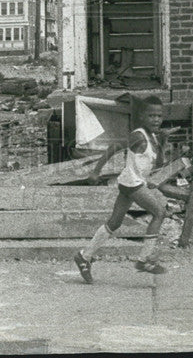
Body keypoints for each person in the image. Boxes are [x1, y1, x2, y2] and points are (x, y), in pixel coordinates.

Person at [74, 96, 169, 281]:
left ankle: (84, 256)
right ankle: (144, 260)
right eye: (151, 116)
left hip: (131, 182)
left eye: (159, 116)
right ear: (142, 117)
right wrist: (96, 171)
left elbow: (159, 162)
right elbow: (113, 148)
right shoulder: (138, 135)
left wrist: (163, 142)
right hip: (132, 183)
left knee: (114, 223)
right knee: (159, 212)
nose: (156, 120)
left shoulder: (153, 137)